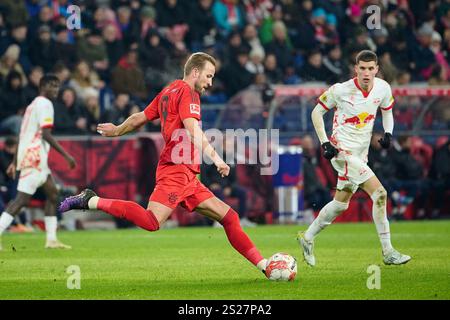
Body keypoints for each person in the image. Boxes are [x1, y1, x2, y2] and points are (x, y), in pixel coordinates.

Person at [59, 52, 269, 277]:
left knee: (230, 217)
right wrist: (216, 158)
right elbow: (193, 129)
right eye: (208, 76)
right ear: (195, 72)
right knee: (151, 221)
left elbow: (140, 117)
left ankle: (265, 267)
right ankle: (91, 200)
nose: (210, 83)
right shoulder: (189, 93)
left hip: (187, 175)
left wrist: (118, 129)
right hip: (176, 171)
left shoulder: (168, 91)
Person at [297, 50, 411, 266]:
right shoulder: (341, 90)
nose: (366, 73)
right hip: (342, 151)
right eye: (362, 68)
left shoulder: (383, 88)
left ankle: (307, 237)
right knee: (379, 193)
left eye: (370, 69)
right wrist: (324, 142)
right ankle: (388, 251)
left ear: (377, 69)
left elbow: (387, 111)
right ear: (356, 69)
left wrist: (388, 133)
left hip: (361, 154)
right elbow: (316, 113)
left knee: (340, 205)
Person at [0, 74, 76, 251]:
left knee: (53, 194)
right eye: (52, 86)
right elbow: (46, 134)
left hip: (31, 156)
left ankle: (51, 239)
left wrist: (14, 161)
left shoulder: (32, 105)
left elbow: (22, 134)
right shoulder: (45, 104)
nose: (56, 90)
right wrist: (67, 155)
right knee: (20, 200)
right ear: (42, 87)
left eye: (57, 86)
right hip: (35, 157)